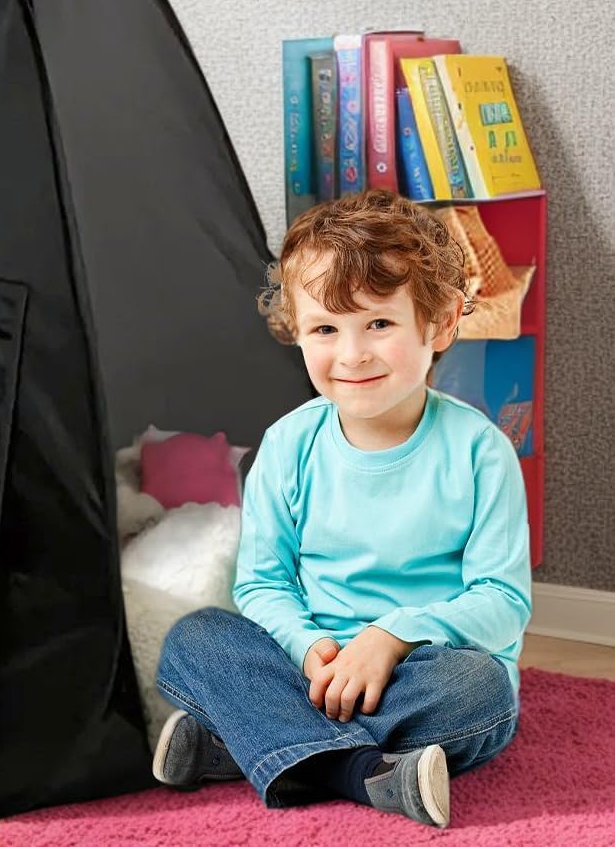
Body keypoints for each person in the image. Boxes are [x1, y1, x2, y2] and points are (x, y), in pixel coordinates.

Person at [152, 190, 531, 829]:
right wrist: (310, 649)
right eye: (326, 329)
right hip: (309, 667)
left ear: (439, 324)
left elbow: (502, 601)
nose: (352, 354)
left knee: (479, 691)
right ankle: (363, 772)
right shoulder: (289, 444)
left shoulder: (480, 451)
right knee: (195, 639)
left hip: (418, 672)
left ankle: (249, 745)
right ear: (298, 333)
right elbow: (263, 585)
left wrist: (391, 637)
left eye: (378, 324)